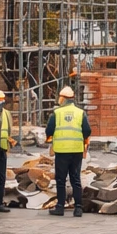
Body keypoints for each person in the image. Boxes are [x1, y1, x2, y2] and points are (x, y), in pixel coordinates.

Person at [46, 85, 92, 217]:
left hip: (61, 151)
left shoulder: (57, 113)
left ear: (63, 98)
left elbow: (49, 130)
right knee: (75, 179)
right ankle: (78, 208)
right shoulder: (80, 113)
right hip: (76, 151)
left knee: (61, 179)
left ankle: (60, 207)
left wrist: (53, 136)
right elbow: (87, 130)